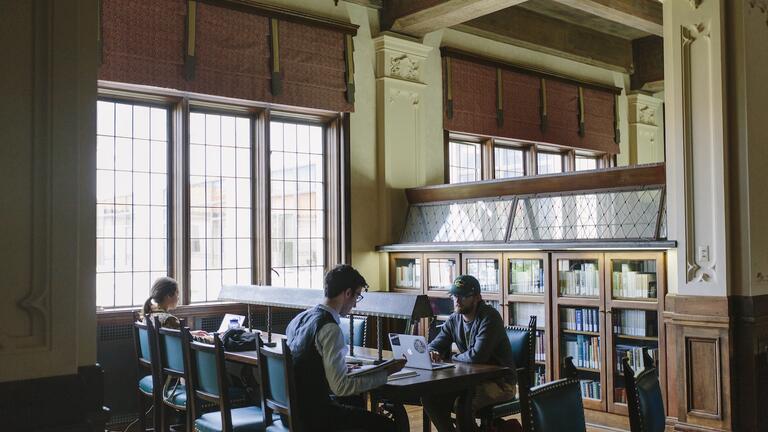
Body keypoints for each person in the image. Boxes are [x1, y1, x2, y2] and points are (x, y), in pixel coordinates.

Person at [285, 264, 407, 432]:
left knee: (355, 404)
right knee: (389, 426)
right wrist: (385, 373)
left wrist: (339, 367)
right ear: (347, 293)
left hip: (293, 412)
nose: (355, 304)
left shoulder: (300, 318)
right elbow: (340, 387)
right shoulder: (330, 329)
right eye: (357, 296)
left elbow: (307, 361)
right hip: (316, 418)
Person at [423, 275, 518, 432]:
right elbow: (434, 345)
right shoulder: (454, 319)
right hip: (471, 381)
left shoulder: (490, 317)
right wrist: (433, 351)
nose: (457, 300)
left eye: (463, 296)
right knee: (430, 398)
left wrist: (452, 358)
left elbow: (477, 356)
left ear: (477, 298)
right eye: (454, 295)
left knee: (463, 404)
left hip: (501, 383)